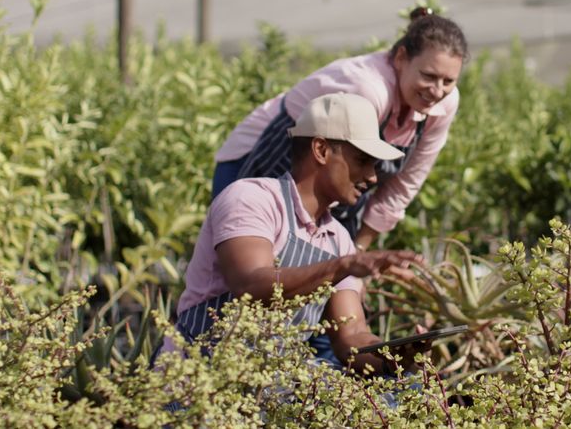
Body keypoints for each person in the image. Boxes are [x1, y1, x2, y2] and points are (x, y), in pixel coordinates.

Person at [165, 93, 427, 378]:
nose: (373, 176)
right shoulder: (252, 199)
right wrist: (343, 266)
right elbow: (250, 287)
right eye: (363, 160)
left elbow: (351, 339)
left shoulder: (338, 239)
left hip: (267, 388)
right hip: (195, 379)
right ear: (321, 150)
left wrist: (396, 355)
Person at [212, 10, 468, 252]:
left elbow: (407, 182)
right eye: (428, 76)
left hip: (328, 189)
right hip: (261, 159)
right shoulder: (368, 89)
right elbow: (324, 170)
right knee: (240, 268)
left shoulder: (444, 103)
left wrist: (358, 249)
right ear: (401, 58)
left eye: (448, 81)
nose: (437, 91)